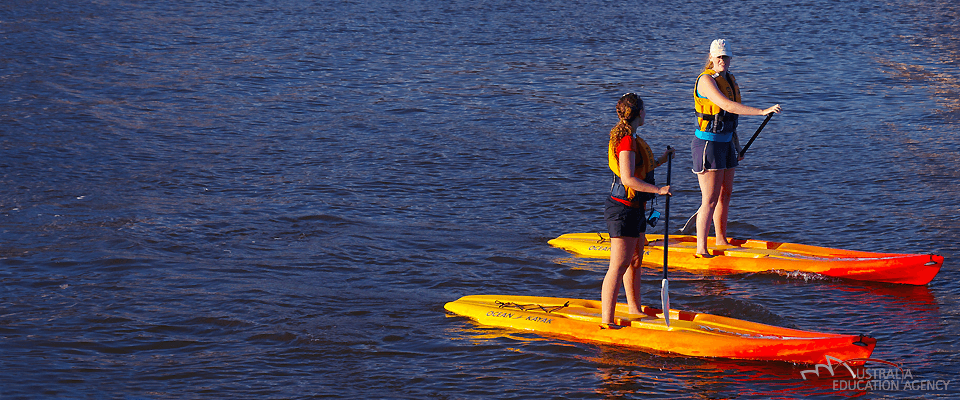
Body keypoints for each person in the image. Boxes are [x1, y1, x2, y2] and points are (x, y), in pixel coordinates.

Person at [692, 39, 781, 257]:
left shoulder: (729, 79)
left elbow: (729, 118)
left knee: (726, 194)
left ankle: (721, 239)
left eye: (726, 57)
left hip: (727, 143)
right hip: (709, 144)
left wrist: (737, 146)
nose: (723, 60)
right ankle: (701, 249)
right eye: (719, 57)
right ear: (711, 57)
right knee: (710, 199)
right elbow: (726, 105)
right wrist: (761, 111)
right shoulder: (706, 80)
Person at [601, 93, 673, 328]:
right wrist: (658, 190)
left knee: (635, 260)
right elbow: (629, 179)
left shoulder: (631, 137)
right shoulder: (626, 141)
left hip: (636, 208)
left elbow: (639, 167)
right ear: (640, 113)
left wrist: (662, 159)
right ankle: (607, 322)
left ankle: (634, 309)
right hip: (622, 210)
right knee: (618, 266)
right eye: (645, 110)